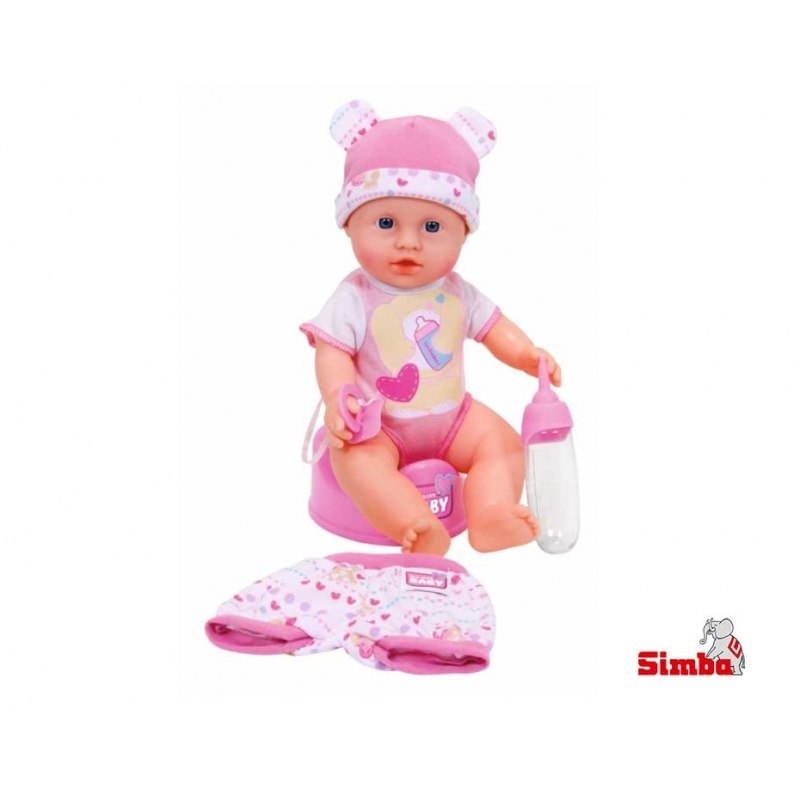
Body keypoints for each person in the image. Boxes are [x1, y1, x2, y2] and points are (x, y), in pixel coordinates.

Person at [301, 100, 561, 556]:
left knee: (502, 444)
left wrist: (525, 353)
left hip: (452, 418)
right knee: (356, 460)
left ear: (464, 233)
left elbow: (494, 328)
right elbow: (332, 351)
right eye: (385, 223)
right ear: (348, 226)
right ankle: (415, 524)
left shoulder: (458, 292)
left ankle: (491, 514)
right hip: (380, 426)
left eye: (432, 226)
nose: (408, 242)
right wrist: (340, 399)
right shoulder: (355, 296)